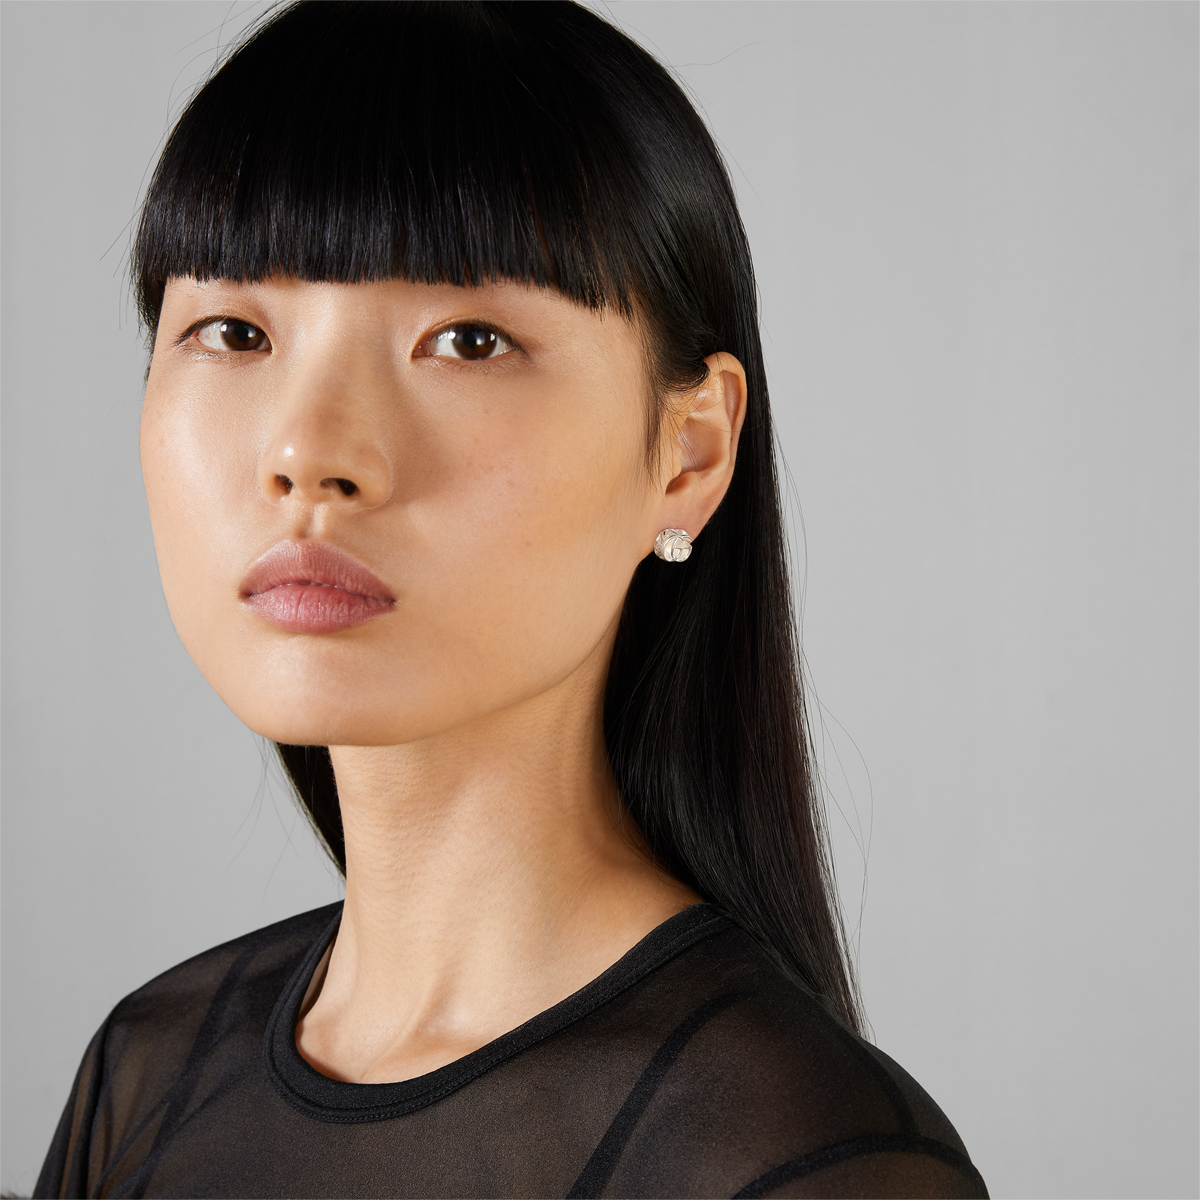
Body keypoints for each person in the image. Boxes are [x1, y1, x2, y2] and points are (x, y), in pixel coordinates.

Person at [34, 3, 987, 1196]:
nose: (308, 454)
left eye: (469, 341)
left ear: (688, 455)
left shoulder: (796, 1155)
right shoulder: (148, 1074)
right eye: (232, 330)